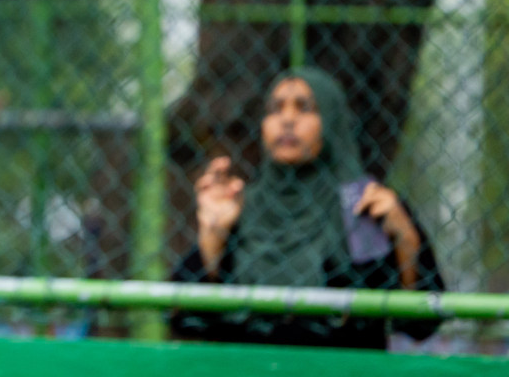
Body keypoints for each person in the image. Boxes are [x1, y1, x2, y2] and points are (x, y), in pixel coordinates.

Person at [172, 67, 445, 350]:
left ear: (331, 120)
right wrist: (212, 240)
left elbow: (420, 325)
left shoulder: (365, 207)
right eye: (276, 109)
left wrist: (406, 240)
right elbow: (183, 319)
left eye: (305, 108)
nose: (287, 120)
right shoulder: (241, 210)